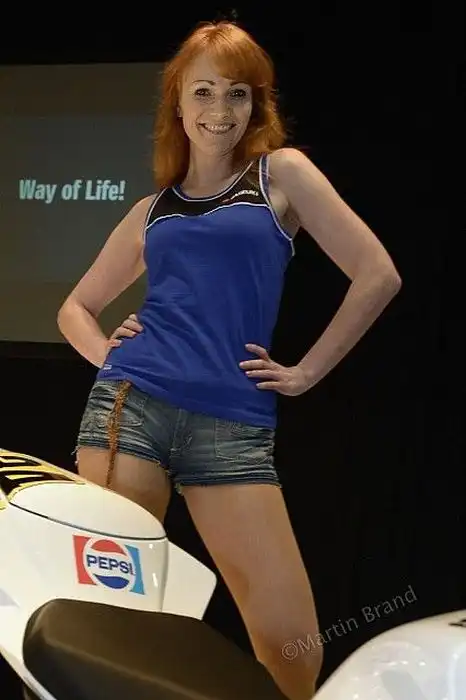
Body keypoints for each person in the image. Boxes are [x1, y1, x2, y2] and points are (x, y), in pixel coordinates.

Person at [57, 20, 401, 700]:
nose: (220, 110)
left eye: (237, 93)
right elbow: (75, 307)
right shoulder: (152, 210)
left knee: (292, 647)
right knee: (110, 620)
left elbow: (378, 275)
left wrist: (305, 373)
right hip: (132, 410)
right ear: (178, 104)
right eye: (204, 91)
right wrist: (106, 356)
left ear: (256, 103)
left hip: (233, 427)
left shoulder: (283, 174)